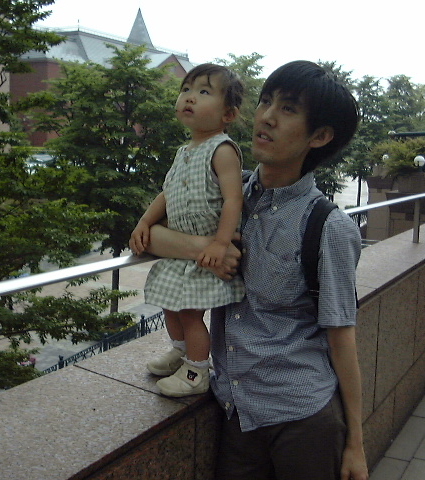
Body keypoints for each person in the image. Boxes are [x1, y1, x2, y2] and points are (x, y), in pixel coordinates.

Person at [131, 60, 369, 480]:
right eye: (265, 101)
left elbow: (341, 335)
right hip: (235, 408)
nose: (266, 117)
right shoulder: (228, 190)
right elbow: (150, 238)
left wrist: (355, 442)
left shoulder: (327, 227)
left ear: (319, 136)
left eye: (288, 109)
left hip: (302, 417)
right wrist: (209, 248)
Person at [130, 64, 246, 398]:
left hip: (206, 253)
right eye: (186, 90)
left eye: (204, 92)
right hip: (183, 252)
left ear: (227, 114)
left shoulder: (222, 149)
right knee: (170, 305)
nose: (190, 98)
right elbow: (167, 193)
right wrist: (144, 221)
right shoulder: (184, 151)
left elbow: (233, 199)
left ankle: (196, 371)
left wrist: (220, 242)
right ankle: (180, 353)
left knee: (192, 315)